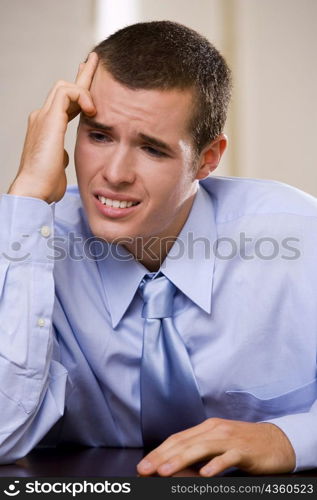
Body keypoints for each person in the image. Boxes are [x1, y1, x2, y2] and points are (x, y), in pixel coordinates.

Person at [0, 20, 316, 477]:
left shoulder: (302, 239)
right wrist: (28, 191)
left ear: (207, 158)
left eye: (151, 148)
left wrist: (288, 439)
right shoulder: (26, 241)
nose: (115, 173)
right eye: (99, 135)